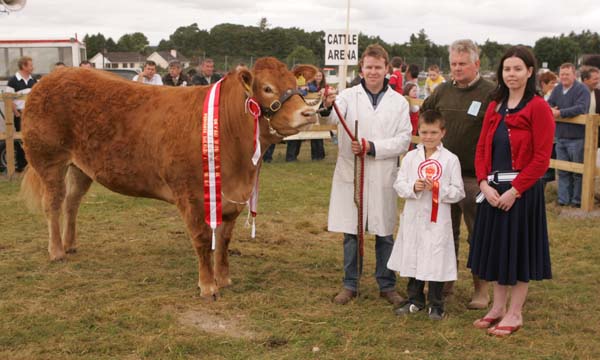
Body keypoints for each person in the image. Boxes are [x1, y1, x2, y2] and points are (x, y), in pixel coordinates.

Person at [468, 45, 554, 337]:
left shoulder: (538, 107)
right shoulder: (495, 105)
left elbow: (542, 158)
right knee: (497, 251)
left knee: (517, 253)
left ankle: (515, 313)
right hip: (493, 189)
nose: (512, 74)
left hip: (521, 193)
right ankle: (497, 307)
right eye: (507, 69)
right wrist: (483, 183)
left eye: (518, 69)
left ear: (530, 72)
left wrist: (515, 191)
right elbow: (482, 147)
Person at [322, 44, 413, 306]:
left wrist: (372, 148)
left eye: (378, 67)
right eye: (368, 67)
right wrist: (327, 106)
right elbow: (332, 119)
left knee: (384, 232)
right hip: (352, 173)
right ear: (361, 69)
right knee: (352, 231)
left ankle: (387, 284)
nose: (373, 72)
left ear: (387, 69)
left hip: (383, 173)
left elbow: (404, 139)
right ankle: (350, 284)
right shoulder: (348, 97)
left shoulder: (398, 103)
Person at [421, 39, 496, 309]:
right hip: (442, 175)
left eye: (462, 64)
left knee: (477, 233)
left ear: (476, 64)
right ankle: (445, 286)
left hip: (476, 177)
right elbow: (425, 116)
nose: (457, 68)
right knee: (444, 231)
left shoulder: (491, 93)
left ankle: (481, 290)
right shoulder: (441, 91)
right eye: (453, 63)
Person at [388, 110, 465, 321]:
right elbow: (399, 184)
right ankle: (415, 299)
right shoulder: (411, 158)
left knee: (435, 257)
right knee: (413, 254)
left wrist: (438, 188)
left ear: (443, 133)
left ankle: (436, 303)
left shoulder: (450, 160)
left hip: (437, 218)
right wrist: (414, 186)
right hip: (414, 216)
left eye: (433, 132)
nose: (428, 137)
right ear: (418, 132)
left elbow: (458, 191)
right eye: (424, 132)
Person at [547, 63, 590, 207]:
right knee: (563, 171)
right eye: (562, 74)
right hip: (560, 136)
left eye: (567, 74)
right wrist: (551, 109)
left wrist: (560, 113)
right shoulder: (557, 89)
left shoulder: (581, 89)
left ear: (574, 75)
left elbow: (581, 107)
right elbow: (548, 104)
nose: (564, 77)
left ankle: (577, 201)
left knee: (578, 172)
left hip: (577, 137)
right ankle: (563, 200)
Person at [6, 56, 37, 172]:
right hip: (21, 114)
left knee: (33, 139)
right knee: (21, 139)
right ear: (24, 66)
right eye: (30, 65)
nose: (32, 67)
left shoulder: (33, 80)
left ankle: (32, 165)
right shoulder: (13, 81)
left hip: (32, 115)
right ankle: (21, 165)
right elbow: (9, 99)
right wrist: (17, 114)